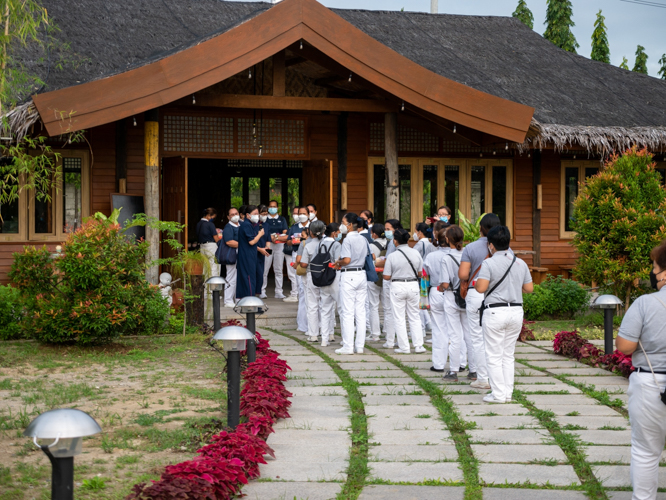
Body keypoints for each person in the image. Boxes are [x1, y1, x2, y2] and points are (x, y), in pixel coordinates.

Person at [616, 240, 666, 499]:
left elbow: (624, 346)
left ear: (665, 273)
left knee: (646, 451)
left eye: (655, 267)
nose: (652, 273)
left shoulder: (646, 304)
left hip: (651, 385)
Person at [475, 226, 532, 404]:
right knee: (508, 355)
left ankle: (498, 394)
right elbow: (529, 289)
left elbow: (481, 288)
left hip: (495, 311)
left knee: (493, 355)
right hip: (515, 311)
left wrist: (477, 282)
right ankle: (507, 392)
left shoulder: (489, 263)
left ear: (490, 245)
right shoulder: (520, 262)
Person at [459, 213, 501, 389]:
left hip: (476, 293)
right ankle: (498, 377)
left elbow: (463, 274)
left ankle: (482, 378)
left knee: (477, 337)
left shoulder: (471, 248)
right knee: (496, 338)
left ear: (480, 229)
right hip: (498, 295)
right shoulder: (506, 249)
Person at [438, 225, 475, 382]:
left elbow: (445, 284)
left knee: (454, 335)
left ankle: (453, 371)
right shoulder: (469, 255)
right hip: (467, 296)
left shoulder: (446, 258)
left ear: (447, 240)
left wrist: (439, 287)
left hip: (451, 297)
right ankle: (473, 370)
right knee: (470, 335)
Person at [383, 228, 426, 354]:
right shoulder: (415, 253)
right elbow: (420, 272)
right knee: (414, 316)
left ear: (395, 241)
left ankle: (404, 347)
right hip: (413, 285)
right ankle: (418, 345)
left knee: (399, 318)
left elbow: (386, 276)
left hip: (397, 286)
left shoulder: (392, 256)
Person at [335, 213, 370, 355]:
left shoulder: (347, 240)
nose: (341, 225)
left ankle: (348, 346)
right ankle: (359, 346)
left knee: (348, 312)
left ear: (349, 225)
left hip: (349, 274)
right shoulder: (364, 239)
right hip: (361, 274)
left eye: (343, 222)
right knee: (360, 312)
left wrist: (338, 262)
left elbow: (347, 260)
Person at [424, 225, 452, 372]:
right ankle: (459, 363)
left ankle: (439, 364)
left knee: (438, 328)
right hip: (454, 292)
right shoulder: (459, 255)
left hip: (436, 290)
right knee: (456, 329)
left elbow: (424, 274)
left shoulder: (431, 256)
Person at [377, 219, 402, 348]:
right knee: (398, 311)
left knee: (389, 310)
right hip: (400, 278)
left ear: (395, 229)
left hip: (390, 278)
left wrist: (377, 261)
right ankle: (399, 339)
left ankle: (390, 340)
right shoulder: (399, 243)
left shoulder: (393, 243)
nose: (386, 232)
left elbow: (388, 260)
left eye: (388, 229)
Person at [196, 208, 221, 322]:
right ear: (209, 216)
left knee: (205, 269)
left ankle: (206, 292)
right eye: (213, 216)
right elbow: (216, 238)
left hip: (202, 247)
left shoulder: (198, 224)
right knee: (214, 268)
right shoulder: (210, 225)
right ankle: (213, 292)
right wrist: (220, 235)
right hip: (211, 246)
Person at [260, 200, 289, 300]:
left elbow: (285, 231)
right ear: (268, 207)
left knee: (278, 268)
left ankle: (279, 291)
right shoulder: (264, 219)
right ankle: (262, 291)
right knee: (265, 268)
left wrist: (276, 237)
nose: (272, 208)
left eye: (274, 206)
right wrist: (270, 237)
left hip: (279, 246)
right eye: (270, 206)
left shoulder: (282, 219)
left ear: (277, 208)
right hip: (268, 245)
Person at [236, 205, 266, 299]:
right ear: (248, 215)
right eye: (255, 214)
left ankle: (250, 301)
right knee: (248, 278)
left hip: (250, 255)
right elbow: (252, 241)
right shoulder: (246, 225)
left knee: (251, 277)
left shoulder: (250, 225)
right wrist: (260, 234)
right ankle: (250, 302)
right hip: (246, 256)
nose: (257, 216)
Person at [413, 222, 435, 337]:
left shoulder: (418, 245)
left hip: (421, 276)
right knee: (424, 301)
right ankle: (428, 323)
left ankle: (421, 328)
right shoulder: (430, 244)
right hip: (429, 276)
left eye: (416, 231)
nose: (415, 234)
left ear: (420, 232)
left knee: (420, 301)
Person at [367, 223, 387, 342]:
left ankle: (375, 334)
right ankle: (387, 331)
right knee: (387, 306)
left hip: (374, 277)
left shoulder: (371, 245)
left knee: (373, 306)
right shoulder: (390, 243)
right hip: (386, 276)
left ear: (374, 234)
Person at [293, 206, 311, 332]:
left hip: (305, 274)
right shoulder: (320, 243)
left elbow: (299, 260)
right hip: (316, 274)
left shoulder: (303, 244)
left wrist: (296, 264)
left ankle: (303, 325)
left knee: (304, 299)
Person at [283, 206, 302, 302]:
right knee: (294, 274)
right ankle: (295, 293)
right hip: (294, 252)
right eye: (294, 213)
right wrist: (294, 241)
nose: (295, 215)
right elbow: (288, 241)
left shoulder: (310, 226)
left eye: (297, 213)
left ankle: (297, 294)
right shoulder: (294, 227)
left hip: (306, 254)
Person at [222, 207, 240, 307]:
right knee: (231, 277)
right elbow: (229, 242)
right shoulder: (228, 227)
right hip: (232, 254)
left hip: (242, 254)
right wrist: (244, 244)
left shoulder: (241, 225)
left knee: (240, 278)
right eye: (232, 214)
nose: (234, 216)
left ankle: (238, 299)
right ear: (228, 217)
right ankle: (228, 300)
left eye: (236, 213)